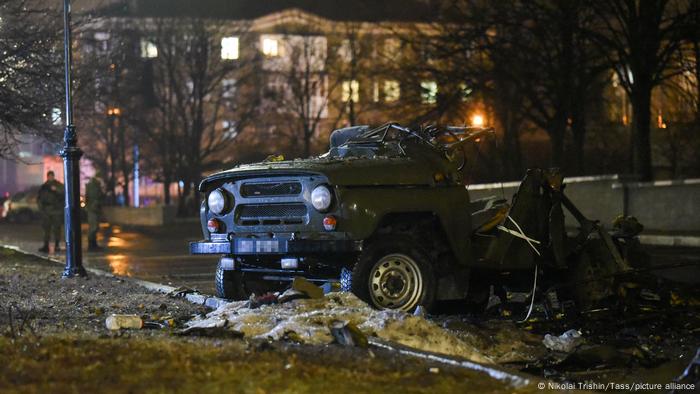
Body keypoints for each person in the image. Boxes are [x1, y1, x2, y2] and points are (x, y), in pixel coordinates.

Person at [37, 171, 64, 253]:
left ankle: (56, 245)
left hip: (56, 210)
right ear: (47, 177)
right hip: (47, 211)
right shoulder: (44, 186)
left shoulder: (58, 185)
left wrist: (56, 190)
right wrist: (41, 209)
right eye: (49, 176)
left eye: (52, 176)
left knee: (56, 229)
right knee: (46, 229)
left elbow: (63, 194)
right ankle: (46, 246)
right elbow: (39, 198)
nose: (50, 178)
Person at [85, 174, 105, 251]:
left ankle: (93, 244)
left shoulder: (96, 185)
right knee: (93, 227)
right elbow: (95, 197)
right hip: (93, 209)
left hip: (94, 209)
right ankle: (91, 245)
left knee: (95, 227)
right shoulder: (93, 185)